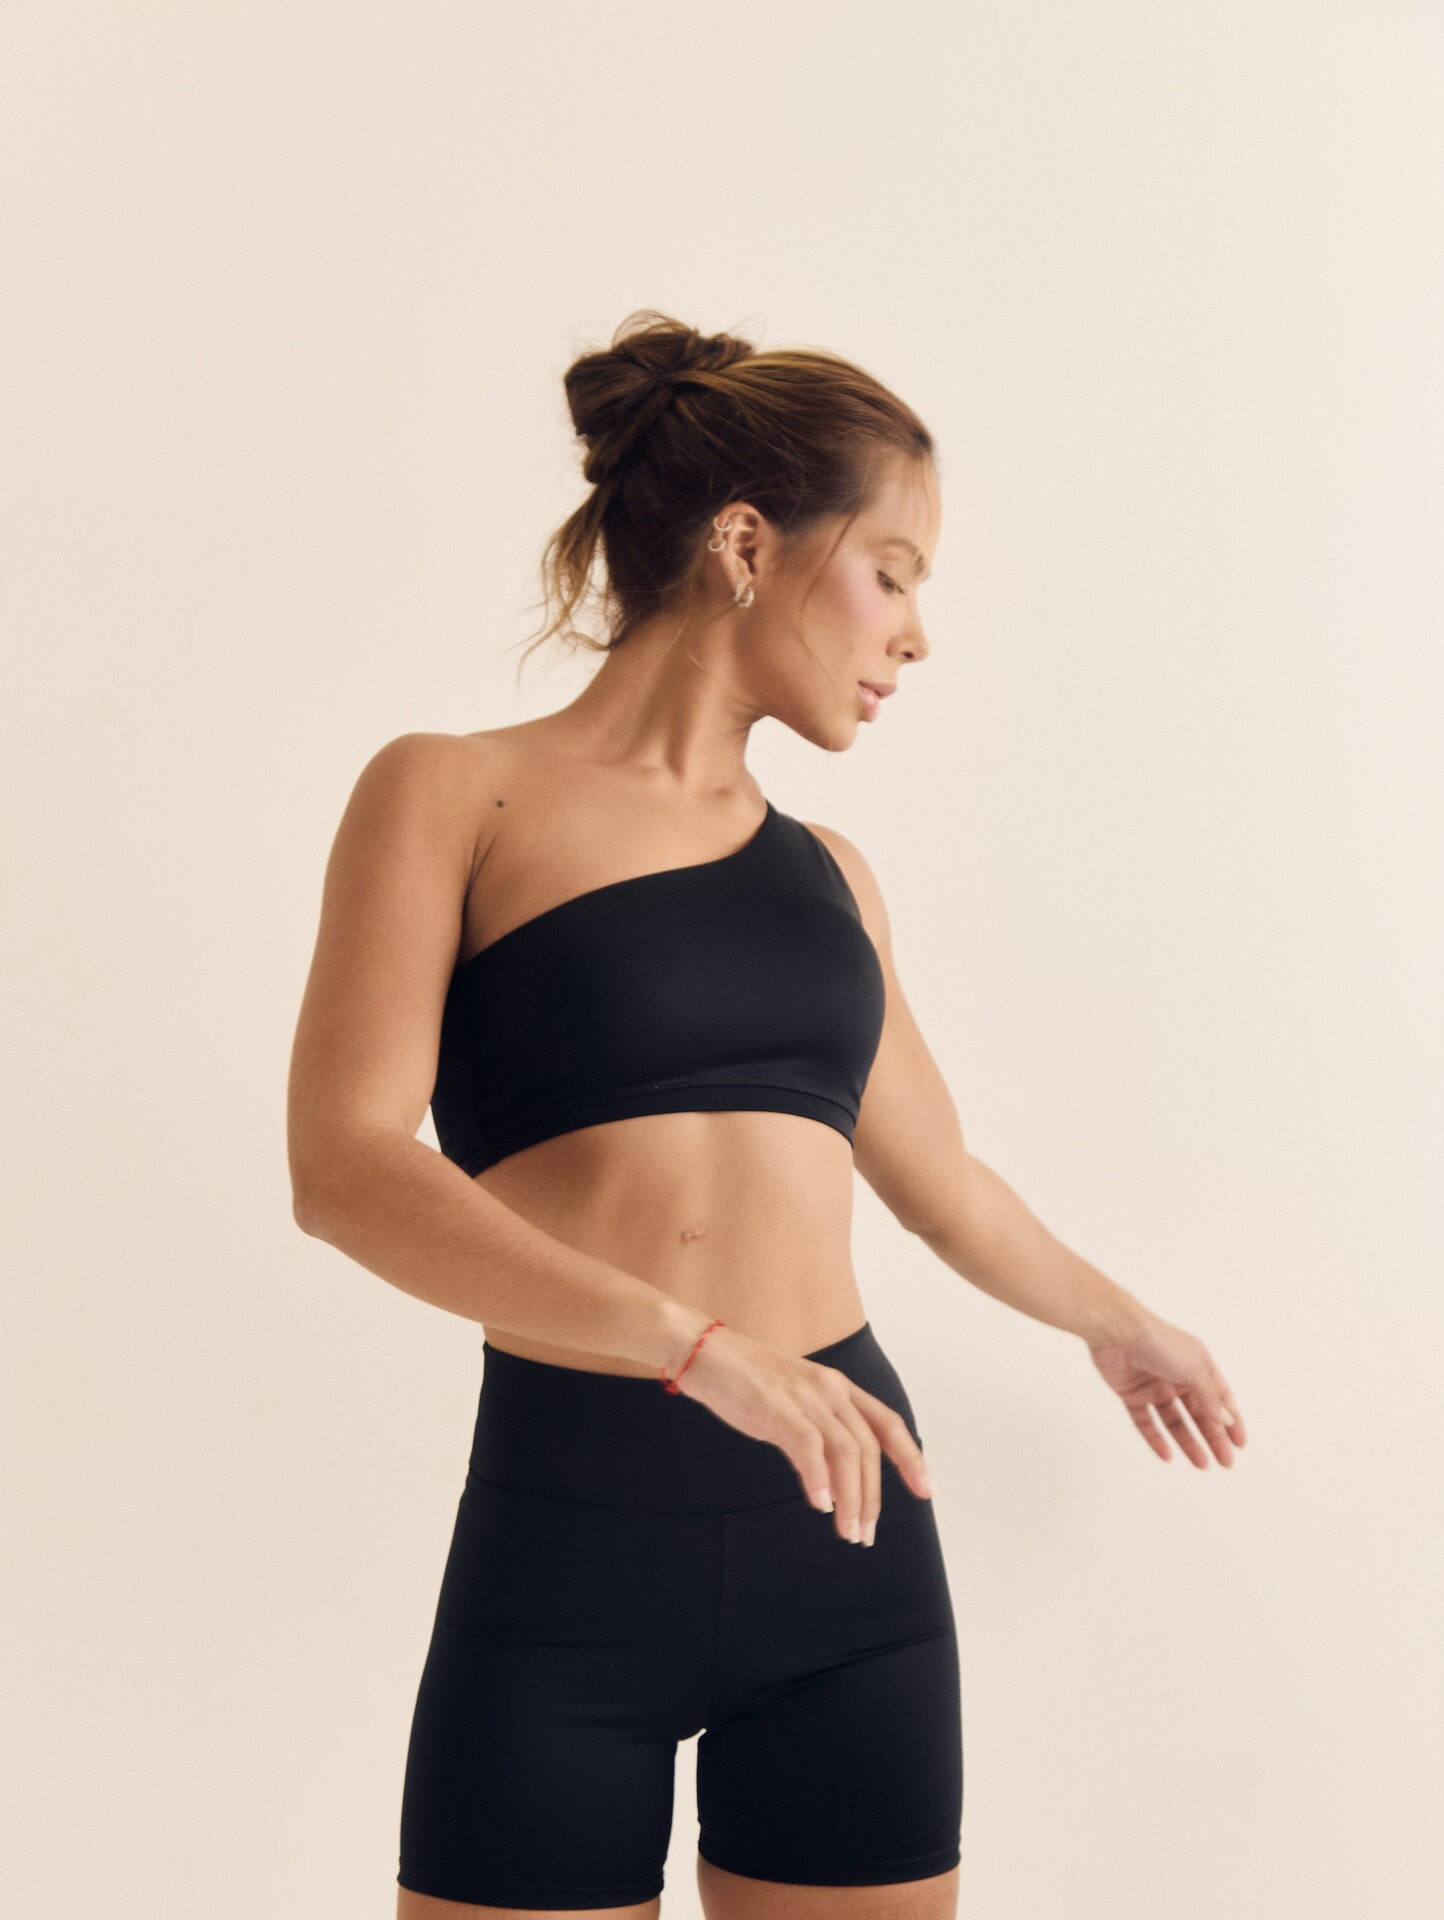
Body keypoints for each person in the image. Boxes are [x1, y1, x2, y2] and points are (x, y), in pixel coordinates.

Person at [287, 308, 1247, 1920]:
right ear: (745, 545)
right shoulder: (449, 794)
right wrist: (694, 1347)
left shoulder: (832, 881)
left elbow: (945, 1185)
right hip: (570, 1552)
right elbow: (347, 1168)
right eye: (895, 571)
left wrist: (1124, 1323)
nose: (917, 635)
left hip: (851, 1555)